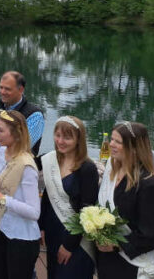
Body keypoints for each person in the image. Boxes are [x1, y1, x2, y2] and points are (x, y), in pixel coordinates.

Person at [96, 121, 154, 279]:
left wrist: (116, 244)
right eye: (111, 139)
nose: (111, 144)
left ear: (134, 148)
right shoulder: (112, 171)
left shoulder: (149, 186)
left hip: (132, 265)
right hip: (108, 260)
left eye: (117, 142)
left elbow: (152, 236)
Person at [0, 110, 40, 279]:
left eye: (0, 130)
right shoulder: (2, 153)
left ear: (15, 134)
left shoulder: (27, 166)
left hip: (21, 238)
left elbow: (34, 212)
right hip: (1, 230)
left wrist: (0, 197)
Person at [39, 116, 98, 279]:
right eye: (57, 135)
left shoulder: (87, 168)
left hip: (75, 239)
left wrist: (69, 245)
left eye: (67, 137)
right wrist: (41, 226)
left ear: (79, 139)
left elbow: (86, 212)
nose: (61, 141)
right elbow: (47, 196)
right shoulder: (52, 160)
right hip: (53, 232)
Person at [0, 71, 45, 155]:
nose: (2, 92)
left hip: (21, 165)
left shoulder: (35, 115)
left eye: (7, 89)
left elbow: (22, 147)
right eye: (1, 87)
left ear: (20, 90)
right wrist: (10, 138)